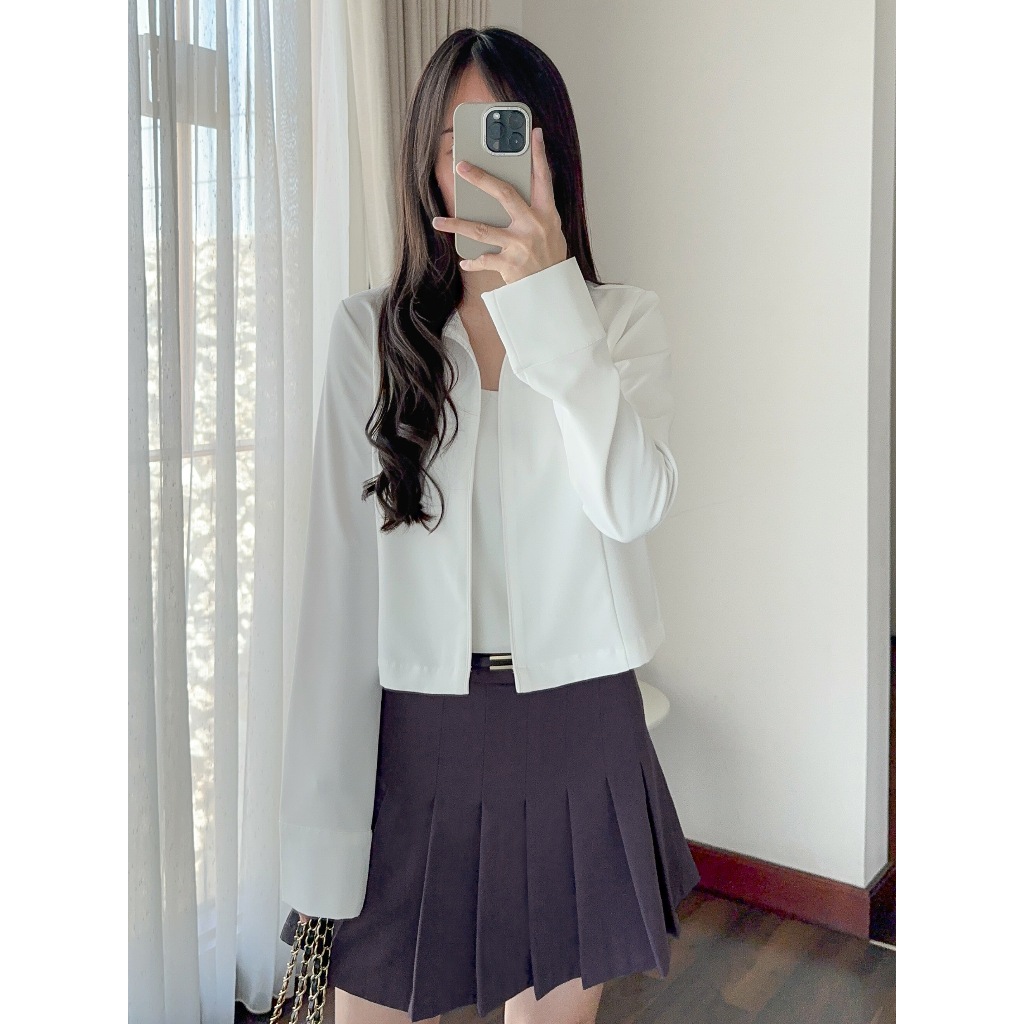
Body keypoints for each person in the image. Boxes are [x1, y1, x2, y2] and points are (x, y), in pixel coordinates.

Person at [278, 26, 701, 1024]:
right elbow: (339, 593)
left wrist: (549, 305)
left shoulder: (618, 323)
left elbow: (631, 503)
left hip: (578, 728)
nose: (480, 171)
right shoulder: (370, 335)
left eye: (507, 140)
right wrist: (317, 829)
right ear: (426, 161)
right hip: (414, 733)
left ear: (553, 158)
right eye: (457, 144)